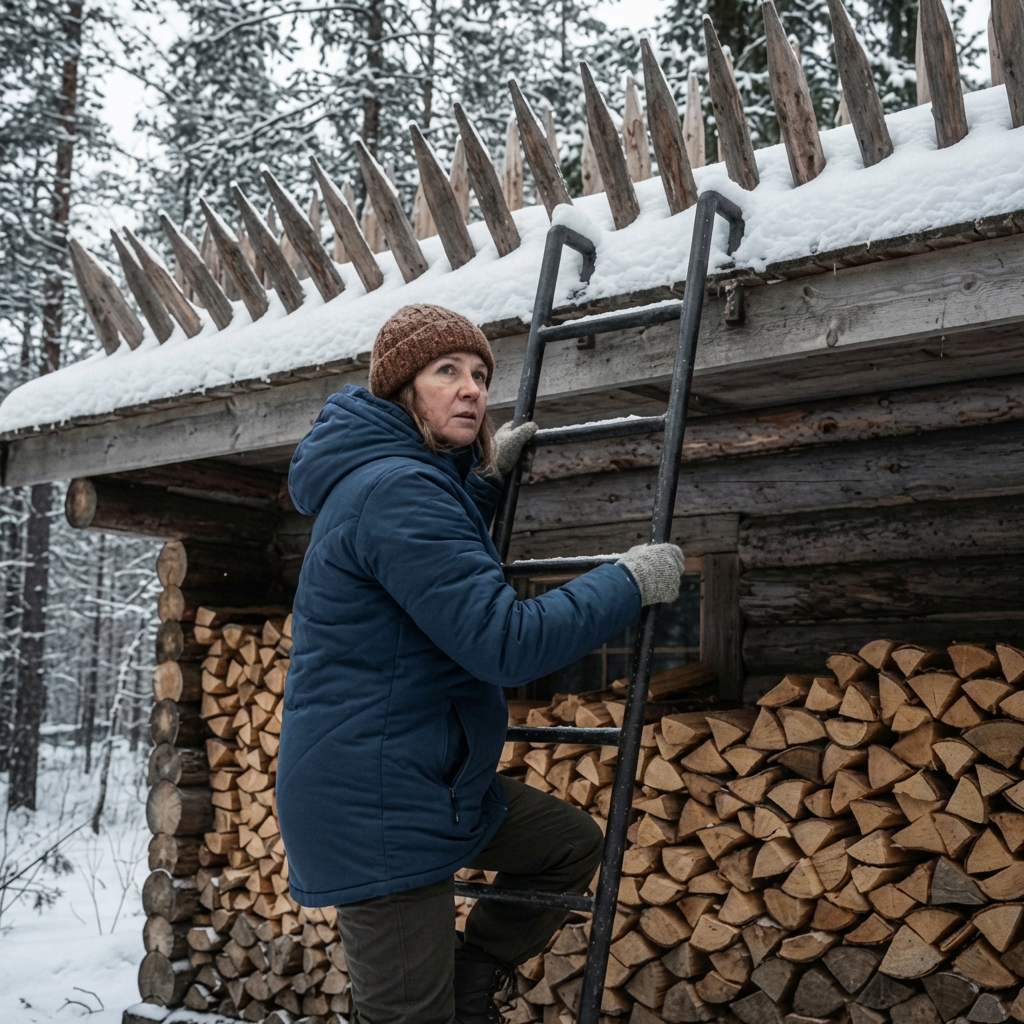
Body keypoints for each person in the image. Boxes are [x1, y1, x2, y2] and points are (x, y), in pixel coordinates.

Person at [278, 303, 685, 1024]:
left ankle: (473, 979)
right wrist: (627, 581)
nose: (471, 388)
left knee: (567, 846)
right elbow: (505, 643)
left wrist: (486, 481)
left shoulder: (400, 479)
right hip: (376, 806)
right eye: (446, 372)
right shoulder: (396, 490)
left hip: (425, 783)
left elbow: (434, 558)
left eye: (479, 374)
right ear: (402, 390)